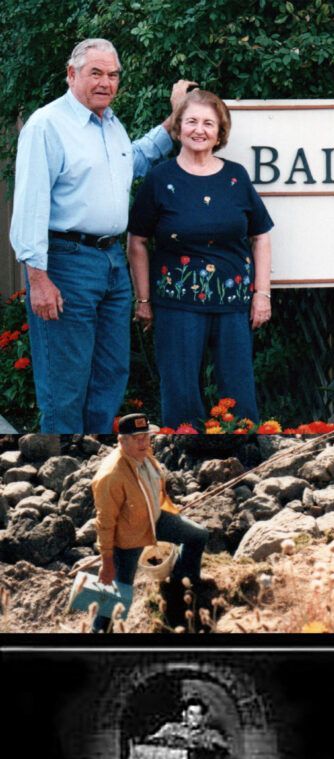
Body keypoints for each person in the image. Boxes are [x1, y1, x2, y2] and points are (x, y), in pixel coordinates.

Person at [9, 38, 193, 433]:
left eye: (113, 75)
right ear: (72, 74)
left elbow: (136, 158)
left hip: (112, 262)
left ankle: (94, 463)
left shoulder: (110, 124)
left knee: (111, 373)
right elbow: (30, 206)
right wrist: (37, 279)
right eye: (96, 73)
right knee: (66, 381)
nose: (106, 82)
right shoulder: (47, 126)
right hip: (66, 262)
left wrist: (175, 117)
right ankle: (60, 473)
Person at [127, 89, 274, 430]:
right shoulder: (160, 178)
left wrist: (261, 294)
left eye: (208, 123)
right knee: (180, 393)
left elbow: (261, 236)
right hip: (177, 304)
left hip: (233, 302)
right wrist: (144, 299)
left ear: (220, 132)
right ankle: (186, 456)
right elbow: (137, 241)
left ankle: (245, 454)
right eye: (191, 121)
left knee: (238, 392)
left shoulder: (235, 177)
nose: (199, 129)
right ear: (178, 128)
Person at [90, 412, 209, 631]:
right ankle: (98, 631)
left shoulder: (144, 452)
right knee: (119, 591)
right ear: (121, 440)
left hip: (156, 520)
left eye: (146, 436)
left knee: (198, 535)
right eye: (137, 438)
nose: (144, 442)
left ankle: (181, 586)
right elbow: (104, 523)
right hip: (126, 540)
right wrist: (107, 562)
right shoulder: (110, 476)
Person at [147, 697, 227, 750]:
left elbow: (224, 748)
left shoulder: (211, 734)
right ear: (184, 714)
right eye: (191, 714)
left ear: (203, 717)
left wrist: (204, 745)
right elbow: (151, 740)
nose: (195, 717)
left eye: (198, 714)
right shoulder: (170, 728)